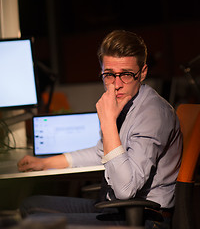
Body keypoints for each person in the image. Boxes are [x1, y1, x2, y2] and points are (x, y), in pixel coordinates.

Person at [17, 30, 182, 228]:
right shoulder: (126, 103)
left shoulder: (152, 114)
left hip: (145, 217)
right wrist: (46, 163)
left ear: (143, 72)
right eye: (109, 75)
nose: (116, 85)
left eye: (127, 75)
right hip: (116, 207)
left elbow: (126, 190)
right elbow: (101, 153)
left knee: (38, 223)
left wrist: (108, 122)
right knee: (30, 205)